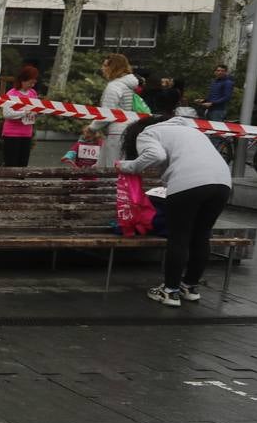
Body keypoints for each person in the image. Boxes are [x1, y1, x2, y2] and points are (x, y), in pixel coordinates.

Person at [117, 114, 232, 307]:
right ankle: (190, 287)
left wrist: (129, 166)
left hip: (188, 182)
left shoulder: (148, 133)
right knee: (202, 235)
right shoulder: (191, 130)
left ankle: (170, 291)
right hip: (222, 183)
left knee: (179, 237)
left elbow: (156, 155)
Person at [81, 53, 139, 168]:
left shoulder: (114, 86)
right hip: (129, 129)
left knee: (111, 169)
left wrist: (92, 128)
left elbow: (107, 113)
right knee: (112, 166)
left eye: (105, 65)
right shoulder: (129, 85)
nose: (102, 68)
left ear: (114, 67)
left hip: (116, 132)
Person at [0, 65, 39, 167]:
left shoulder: (33, 93)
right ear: (23, 80)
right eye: (30, 82)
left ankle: (21, 183)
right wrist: (24, 112)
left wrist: (36, 112)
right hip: (12, 134)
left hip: (27, 133)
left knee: (23, 164)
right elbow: (7, 114)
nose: (32, 85)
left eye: (34, 82)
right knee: (11, 164)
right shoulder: (12, 94)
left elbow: (36, 109)